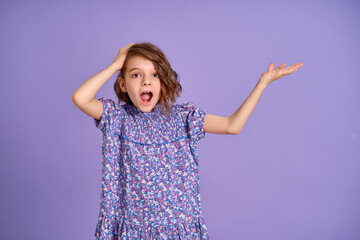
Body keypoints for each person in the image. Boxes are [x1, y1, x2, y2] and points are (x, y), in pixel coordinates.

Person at [72, 42, 303, 239]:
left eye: (154, 75)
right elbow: (80, 98)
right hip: (131, 230)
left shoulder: (183, 118)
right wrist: (115, 65)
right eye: (135, 75)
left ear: (163, 81)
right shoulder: (116, 118)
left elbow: (233, 125)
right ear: (123, 84)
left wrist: (262, 84)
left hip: (179, 230)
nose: (146, 82)